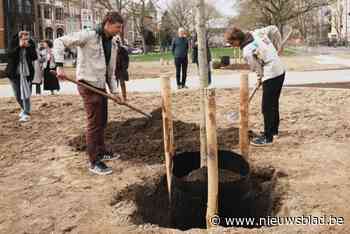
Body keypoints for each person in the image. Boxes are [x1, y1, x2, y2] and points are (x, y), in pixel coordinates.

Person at [54, 11, 123, 175]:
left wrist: (115, 91)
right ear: (108, 23)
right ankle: (94, 161)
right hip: (87, 83)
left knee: (103, 120)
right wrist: (59, 65)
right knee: (94, 123)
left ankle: (101, 150)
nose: (119, 30)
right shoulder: (89, 35)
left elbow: (110, 72)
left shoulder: (112, 44)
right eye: (117, 27)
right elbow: (59, 41)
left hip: (100, 85)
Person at [225, 25, 285, 147]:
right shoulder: (256, 33)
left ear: (237, 40)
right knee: (273, 104)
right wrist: (278, 45)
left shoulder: (247, 51)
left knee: (267, 107)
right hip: (280, 70)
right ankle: (273, 132)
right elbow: (273, 28)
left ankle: (267, 138)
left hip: (271, 74)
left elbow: (257, 68)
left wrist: (260, 78)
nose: (232, 46)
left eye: (231, 43)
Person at [5, 31, 37, 122]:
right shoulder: (14, 43)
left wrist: (28, 48)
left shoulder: (30, 44)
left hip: (27, 74)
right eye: (23, 38)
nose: (25, 40)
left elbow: (34, 57)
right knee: (18, 95)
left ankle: (26, 113)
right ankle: (24, 109)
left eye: (27, 38)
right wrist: (19, 47)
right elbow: (9, 55)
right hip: (14, 73)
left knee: (26, 94)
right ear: (19, 38)